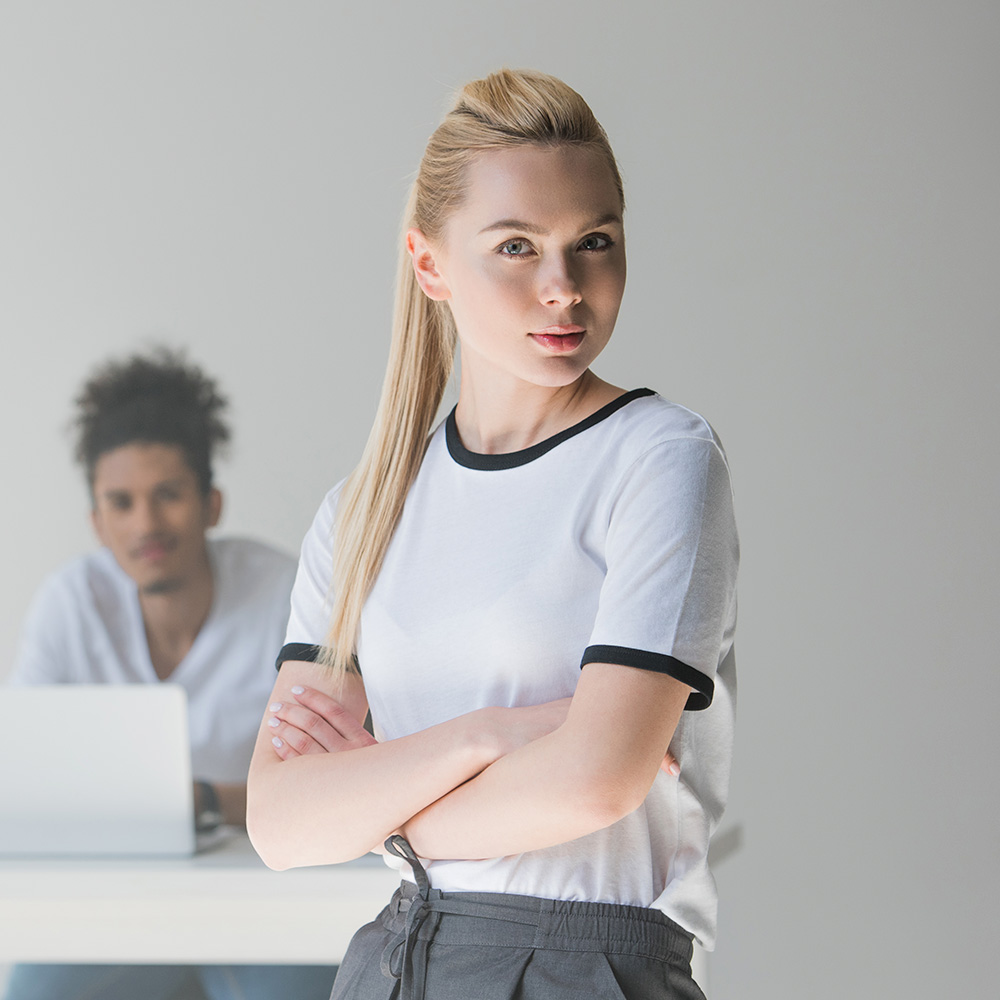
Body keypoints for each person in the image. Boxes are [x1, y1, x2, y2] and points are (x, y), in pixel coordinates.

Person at [247, 69, 738, 1000]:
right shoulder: (364, 510)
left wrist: (378, 809)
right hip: (395, 962)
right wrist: (493, 735)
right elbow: (280, 822)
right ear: (429, 263)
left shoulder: (659, 457)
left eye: (593, 242)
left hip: (582, 966)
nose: (564, 288)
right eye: (517, 246)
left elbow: (595, 782)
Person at [6, 349, 337, 1000]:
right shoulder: (69, 603)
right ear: (97, 522)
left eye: (168, 495)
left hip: (265, 889)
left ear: (211, 504)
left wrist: (206, 802)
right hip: (117, 896)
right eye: (121, 503)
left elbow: (334, 780)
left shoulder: (286, 594)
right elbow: (23, 771)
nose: (146, 524)